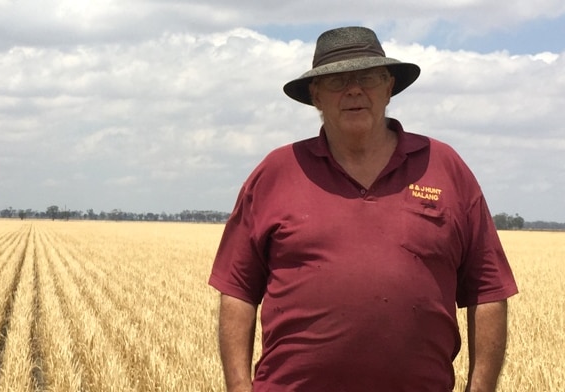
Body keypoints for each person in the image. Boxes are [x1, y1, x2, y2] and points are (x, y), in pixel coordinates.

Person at [208, 26, 518, 392]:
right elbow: (238, 290)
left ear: (389, 88)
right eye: (337, 81)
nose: (354, 89)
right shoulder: (276, 171)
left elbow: (488, 290)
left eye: (367, 77)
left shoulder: (444, 165)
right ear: (316, 97)